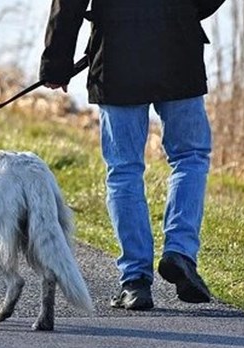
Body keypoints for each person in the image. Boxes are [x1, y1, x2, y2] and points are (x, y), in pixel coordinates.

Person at [39, 0, 226, 310]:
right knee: (190, 156)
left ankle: (135, 282)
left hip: (116, 55)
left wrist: (56, 64)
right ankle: (179, 252)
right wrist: (184, 11)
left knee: (124, 169)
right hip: (178, 47)